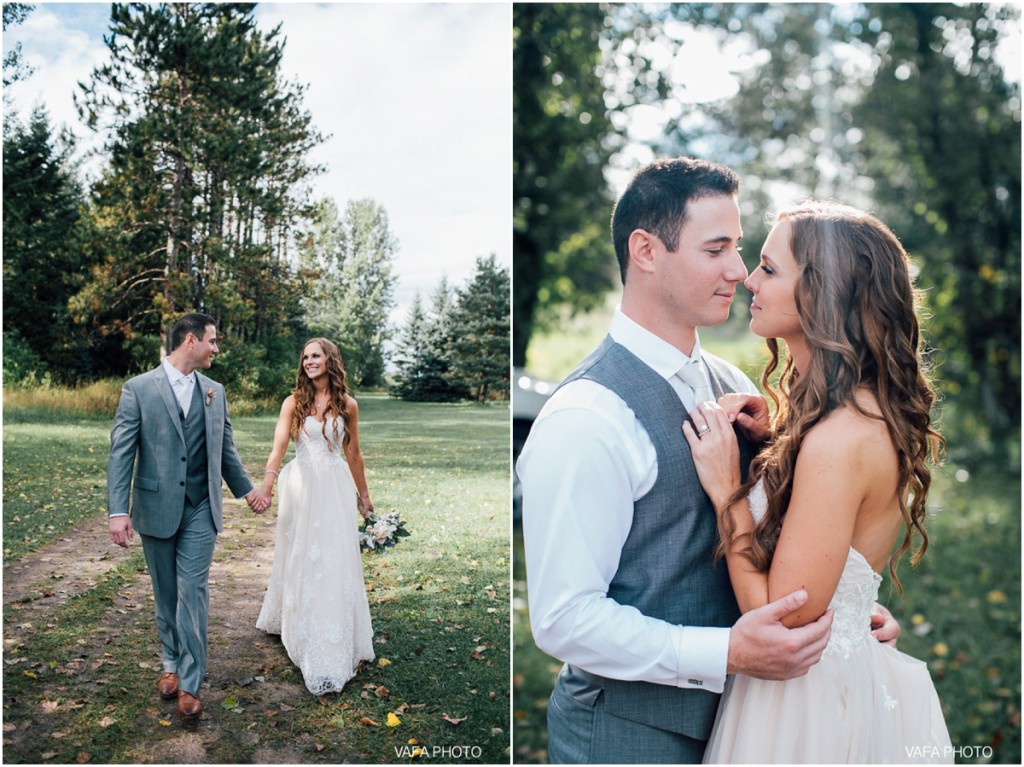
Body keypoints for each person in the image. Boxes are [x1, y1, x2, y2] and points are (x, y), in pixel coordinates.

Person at [518, 158, 902, 764]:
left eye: (742, 249)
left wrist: (841, 614)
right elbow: (564, 620)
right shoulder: (587, 418)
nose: (740, 271)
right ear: (646, 251)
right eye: (716, 249)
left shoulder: (733, 384)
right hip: (630, 738)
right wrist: (725, 653)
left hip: (755, 728)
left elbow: (792, 544)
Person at [684, 201, 952, 763]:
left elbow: (780, 620)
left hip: (803, 710)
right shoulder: (840, 418)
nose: (747, 279)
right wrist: (776, 438)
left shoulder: (838, 440)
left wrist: (726, 491)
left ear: (821, 294)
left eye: (769, 268)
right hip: (831, 680)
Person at [107, 312, 270, 720]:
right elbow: (121, 453)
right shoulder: (139, 389)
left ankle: (191, 684)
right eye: (213, 341)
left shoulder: (215, 391)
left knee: (192, 589)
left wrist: (247, 490)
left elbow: (224, 450)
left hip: (201, 506)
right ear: (191, 341)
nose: (216, 349)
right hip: (156, 507)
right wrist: (117, 511)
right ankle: (170, 662)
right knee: (166, 592)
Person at [255, 338, 375, 695]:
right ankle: (297, 620)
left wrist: (364, 496)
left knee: (333, 557)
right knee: (301, 555)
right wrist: (267, 486)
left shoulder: (348, 405)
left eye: (316, 355)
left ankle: (332, 625)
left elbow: (353, 454)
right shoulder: (293, 402)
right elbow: (278, 448)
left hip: (334, 489)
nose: (309, 361)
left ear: (330, 360)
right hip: (301, 487)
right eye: (305, 356)